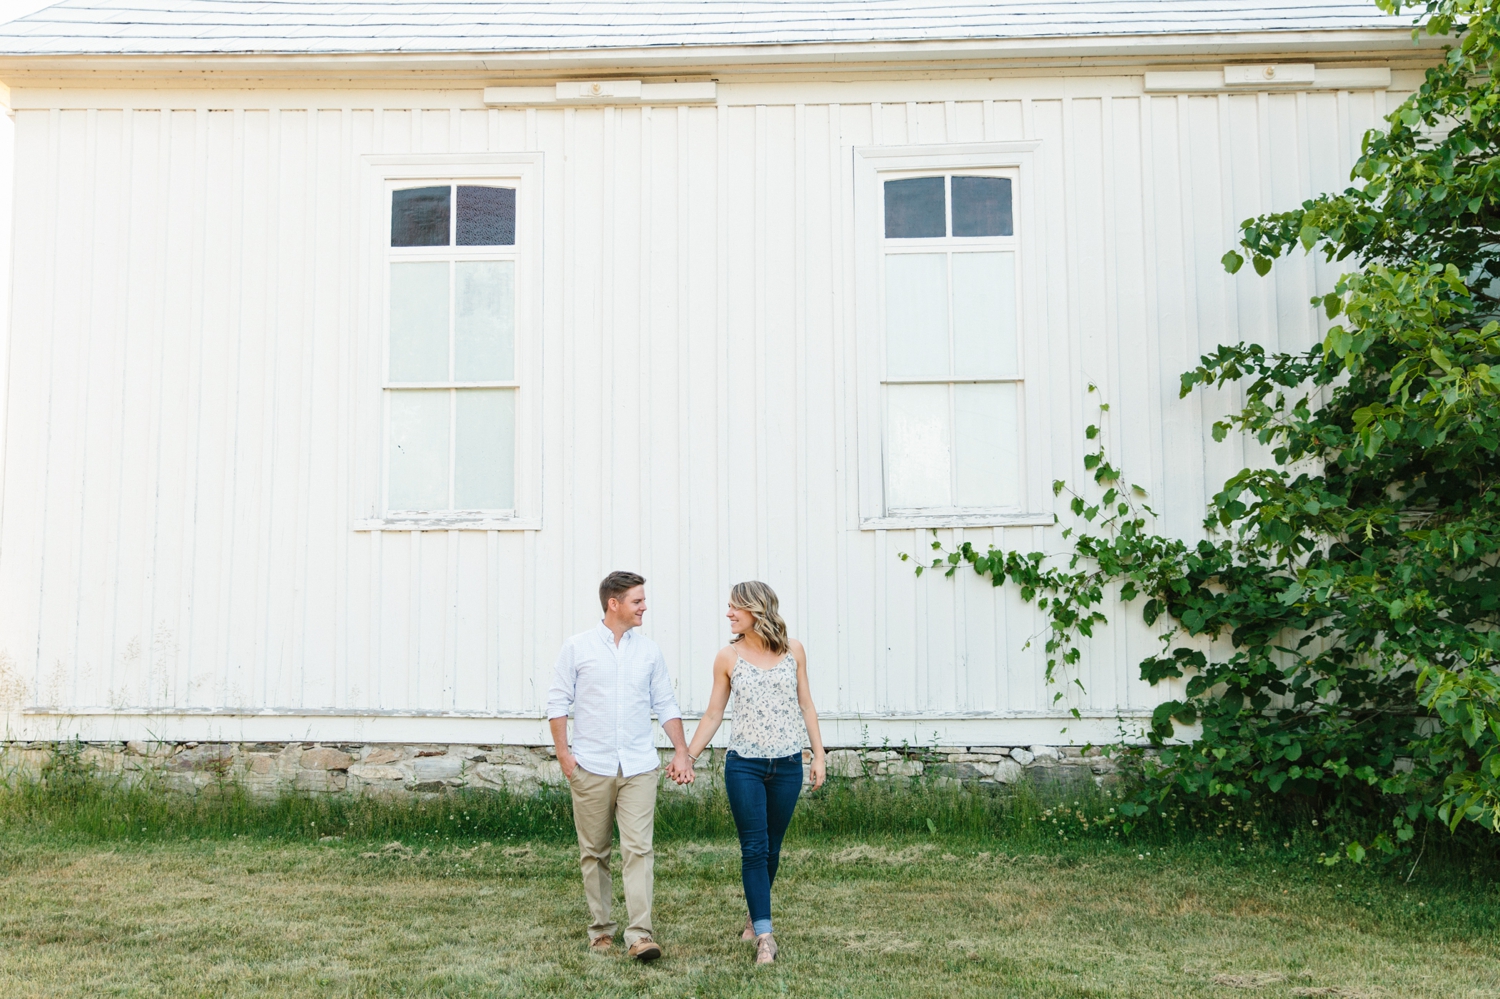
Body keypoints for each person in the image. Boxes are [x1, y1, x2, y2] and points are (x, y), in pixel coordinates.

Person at [670, 580, 827, 965]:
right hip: (745, 765)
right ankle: (765, 936)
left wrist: (819, 755)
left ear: (757, 610)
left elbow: (806, 705)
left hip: (788, 764)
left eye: (735, 607)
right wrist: (686, 756)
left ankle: (753, 915)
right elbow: (713, 714)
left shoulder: (794, 651)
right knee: (754, 848)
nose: (728, 614)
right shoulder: (727, 657)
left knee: (773, 848)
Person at [548, 571, 692, 961]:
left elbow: (666, 704)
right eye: (637, 601)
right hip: (590, 766)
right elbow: (557, 703)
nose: (644, 607)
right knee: (595, 851)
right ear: (614, 603)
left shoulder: (648, 652)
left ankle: (640, 934)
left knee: (639, 850)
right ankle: (600, 930)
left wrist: (681, 751)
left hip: (639, 767)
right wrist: (565, 757)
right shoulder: (577, 648)